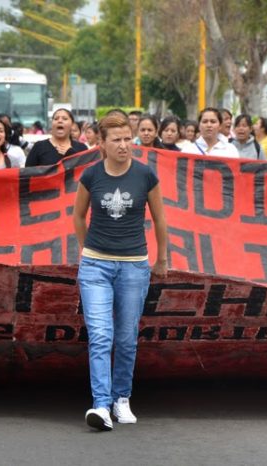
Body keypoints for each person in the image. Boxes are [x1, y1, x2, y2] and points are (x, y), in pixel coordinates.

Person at [73, 113, 168, 431]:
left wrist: (162, 259)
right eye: (117, 140)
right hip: (95, 267)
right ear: (102, 143)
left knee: (126, 339)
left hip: (134, 266)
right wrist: (89, 251)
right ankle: (100, 406)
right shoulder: (91, 175)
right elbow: (78, 217)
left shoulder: (145, 175)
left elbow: (160, 219)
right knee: (100, 336)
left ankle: (121, 398)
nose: (125, 145)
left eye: (128, 138)